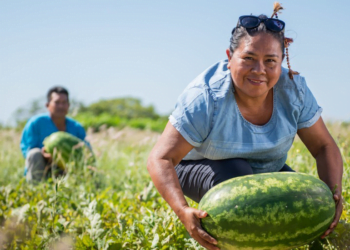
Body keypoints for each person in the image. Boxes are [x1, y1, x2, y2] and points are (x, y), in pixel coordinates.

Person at [147, 4, 343, 250]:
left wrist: (333, 196)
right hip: (196, 167)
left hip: (264, 169)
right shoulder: (206, 96)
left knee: (304, 200)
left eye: (270, 61)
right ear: (230, 57)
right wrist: (182, 210)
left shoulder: (294, 91)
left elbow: (324, 146)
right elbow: (160, 159)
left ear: (281, 61)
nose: (259, 70)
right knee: (237, 172)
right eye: (248, 58)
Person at [20, 86, 88, 182]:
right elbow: (27, 149)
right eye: (57, 102)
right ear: (48, 105)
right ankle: (36, 188)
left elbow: (86, 150)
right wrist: (45, 155)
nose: (61, 106)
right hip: (43, 168)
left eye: (64, 103)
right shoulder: (35, 123)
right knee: (34, 153)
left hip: (68, 169)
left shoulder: (76, 127)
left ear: (68, 105)